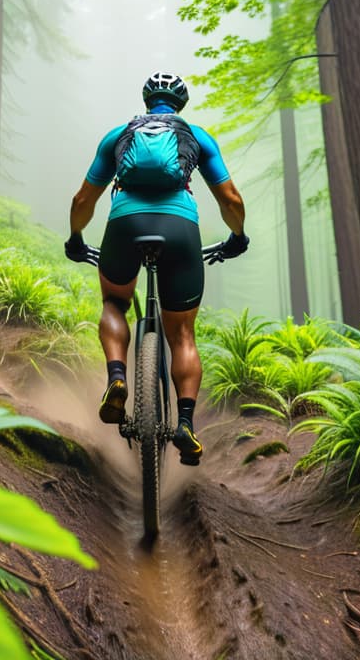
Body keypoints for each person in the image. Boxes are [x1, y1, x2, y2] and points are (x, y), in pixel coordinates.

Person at [65, 72, 248, 466]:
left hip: (125, 224)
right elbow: (230, 199)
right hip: (180, 229)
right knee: (181, 333)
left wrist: (76, 237)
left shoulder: (119, 136)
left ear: (147, 102)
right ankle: (184, 422)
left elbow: (83, 198)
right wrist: (238, 237)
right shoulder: (197, 137)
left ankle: (117, 377)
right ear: (180, 105)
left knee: (115, 303)